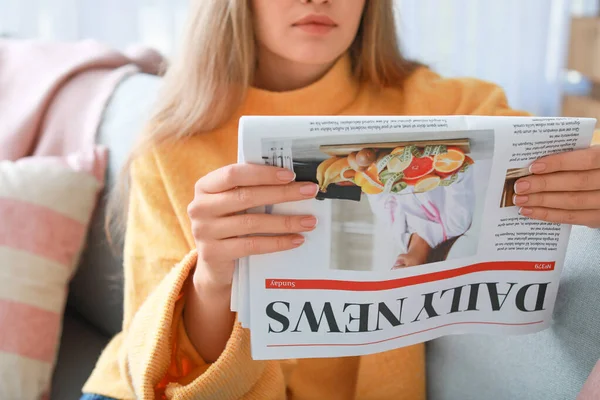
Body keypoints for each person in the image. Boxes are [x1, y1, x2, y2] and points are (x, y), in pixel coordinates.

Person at [81, 0, 600, 399]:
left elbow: (564, 155)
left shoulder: (445, 105)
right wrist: (213, 278)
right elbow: (164, 375)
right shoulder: (171, 147)